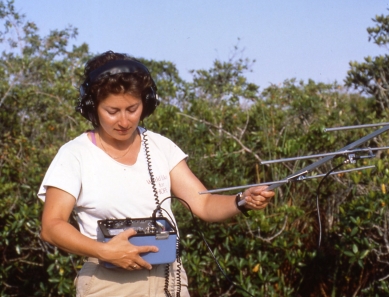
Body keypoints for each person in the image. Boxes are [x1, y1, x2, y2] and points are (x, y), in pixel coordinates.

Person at [38, 51, 275, 297]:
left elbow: (202, 202)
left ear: (147, 103)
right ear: (92, 107)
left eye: (132, 108)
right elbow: (52, 226)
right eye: (112, 111)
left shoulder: (161, 146)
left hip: (169, 280)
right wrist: (104, 250)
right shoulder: (74, 154)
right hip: (109, 282)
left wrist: (242, 201)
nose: (124, 121)